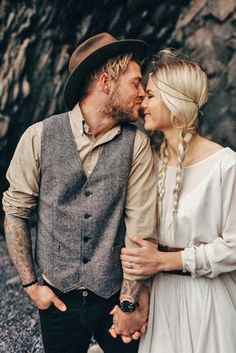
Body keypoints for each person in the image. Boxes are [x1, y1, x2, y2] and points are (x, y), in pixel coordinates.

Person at [2, 32, 158, 353]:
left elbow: (141, 228)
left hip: (113, 297)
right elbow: (16, 213)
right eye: (135, 83)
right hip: (57, 298)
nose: (143, 94)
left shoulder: (137, 144)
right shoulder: (38, 137)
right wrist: (32, 287)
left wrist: (128, 302)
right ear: (105, 82)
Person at [120, 49, 236, 353]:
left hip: (208, 301)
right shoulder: (152, 165)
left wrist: (166, 260)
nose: (142, 103)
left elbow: (234, 246)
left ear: (175, 103)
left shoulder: (226, 165)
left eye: (151, 96)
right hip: (162, 301)